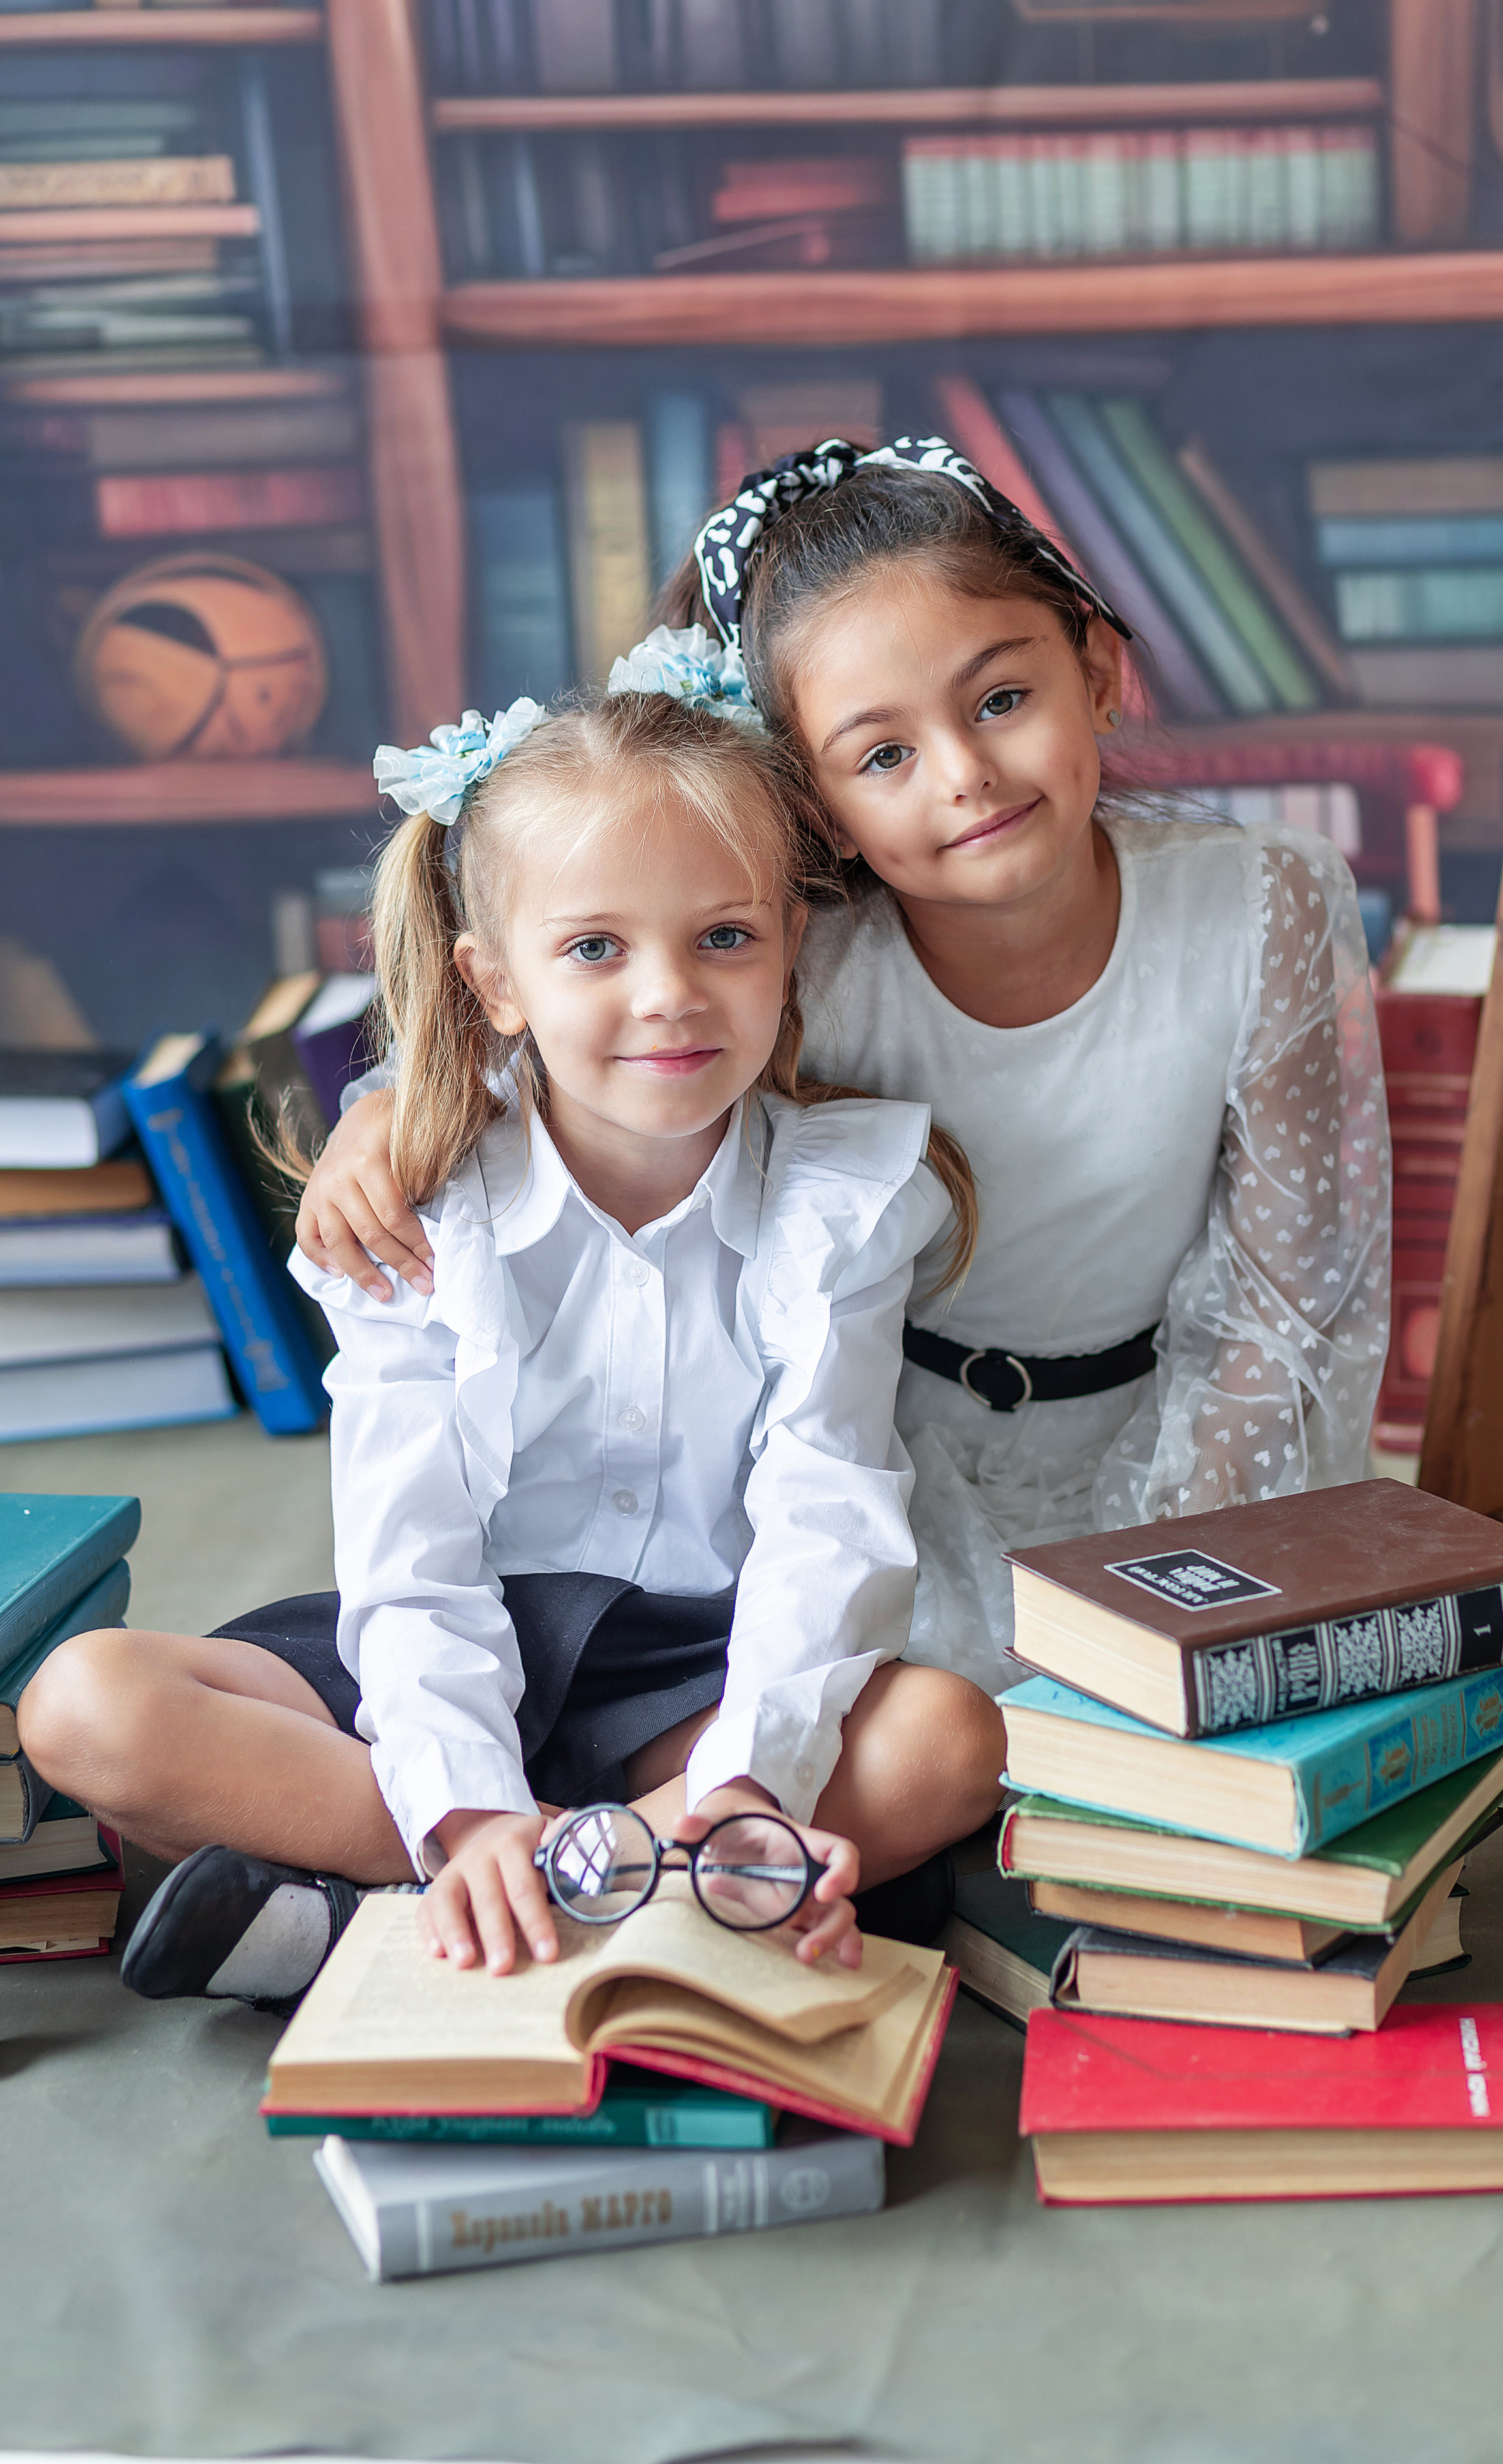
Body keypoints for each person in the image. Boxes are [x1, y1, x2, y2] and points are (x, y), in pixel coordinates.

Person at [294, 436, 1391, 1701]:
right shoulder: (800, 952)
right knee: (922, 1748)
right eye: (881, 755)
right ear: (810, 807)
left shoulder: (1265, 902)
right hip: (873, 1451)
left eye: (998, 702)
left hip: (1178, 1439)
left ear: (1095, 669)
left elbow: (1287, 1293)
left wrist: (1173, 1575)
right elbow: (596, 1027)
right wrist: (388, 1116)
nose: (964, 774)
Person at [19, 677, 1005, 2010]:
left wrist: (747, 1778)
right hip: (435, 1647)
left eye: (722, 937)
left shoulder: (841, 1202)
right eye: (595, 948)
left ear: (790, 948)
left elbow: (824, 1509)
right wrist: (465, 1808)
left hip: (692, 1678)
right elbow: (409, 1553)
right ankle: (559, 1883)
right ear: (493, 981)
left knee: (946, 1738)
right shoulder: (420, 1202)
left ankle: (384, 1916)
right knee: (86, 1703)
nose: (668, 996)